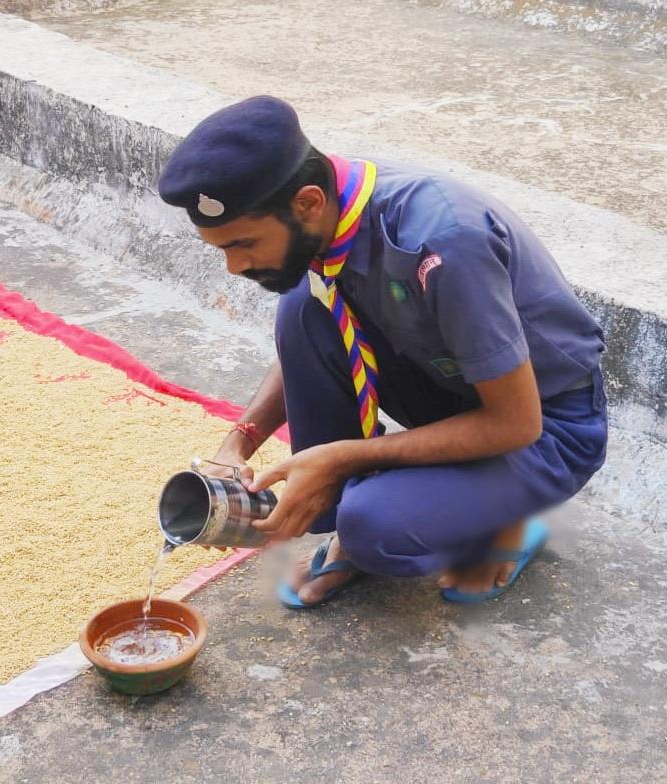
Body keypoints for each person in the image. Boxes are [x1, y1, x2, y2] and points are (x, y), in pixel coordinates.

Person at [158, 95, 607, 608]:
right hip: (449, 388)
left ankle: (502, 520)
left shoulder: (442, 243)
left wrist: (343, 459)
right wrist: (239, 442)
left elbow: (515, 423)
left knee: (375, 526)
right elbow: (329, 330)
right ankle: (366, 504)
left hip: (545, 426)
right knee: (304, 306)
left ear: (307, 203)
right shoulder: (332, 210)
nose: (234, 268)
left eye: (242, 244)